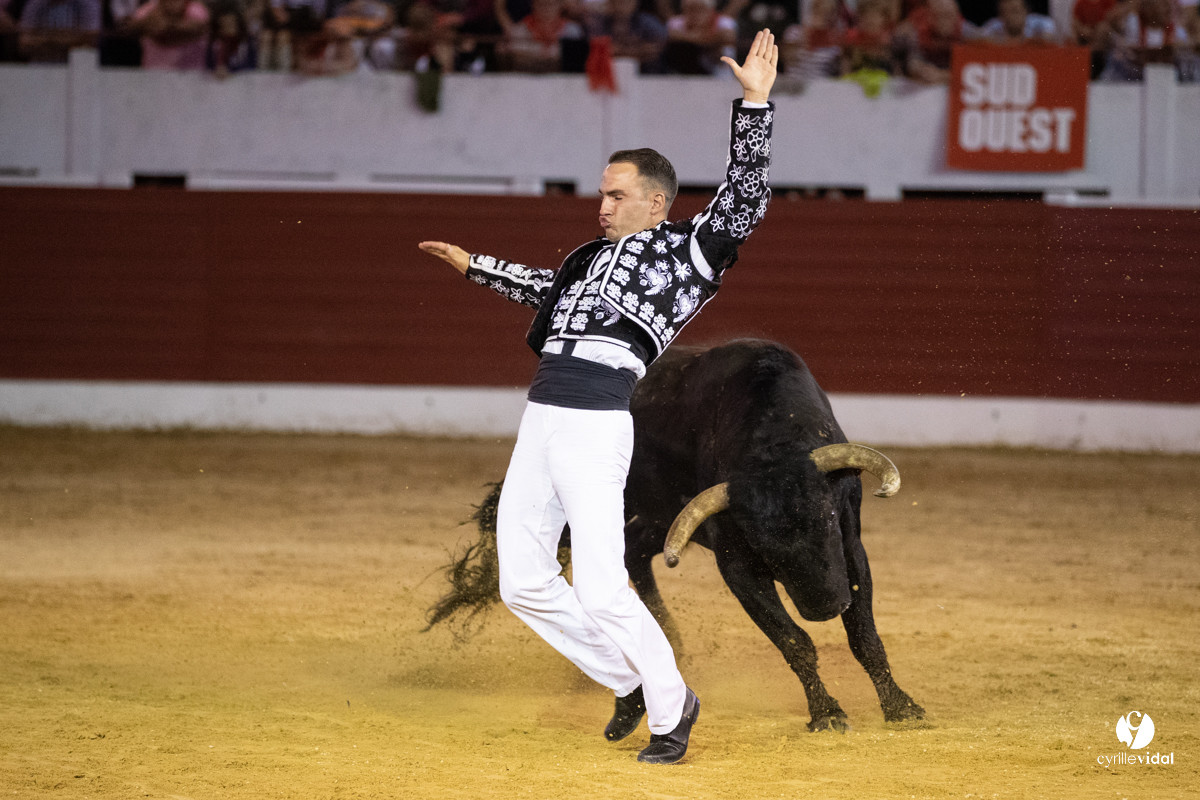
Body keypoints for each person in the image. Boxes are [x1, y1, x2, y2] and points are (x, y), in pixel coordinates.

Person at [417, 27, 777, 766]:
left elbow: (743, 201)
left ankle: (674, 710)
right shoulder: (588, 264)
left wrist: (754, 106)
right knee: (523, 583)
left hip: (594, 423)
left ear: (655, 201)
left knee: (607, 587)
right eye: (601, 194)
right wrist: (473, 266)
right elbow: (546, 292)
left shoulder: (688, 253)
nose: (601, 207)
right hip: (542, 416)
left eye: (616, 196)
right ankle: (628, 680)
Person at [130, 0, 210, 69]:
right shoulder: (145, 11)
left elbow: (197, 29)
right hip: (151, 76)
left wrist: (168, 26)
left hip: (192, 77)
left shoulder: (198, 11)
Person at [979, 0, 1060, 42]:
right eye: (1006, 11)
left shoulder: (1041, 23)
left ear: (1026, 11)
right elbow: (981, 41)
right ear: (1001, 14)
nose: (1011, 16)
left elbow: (1052, 39)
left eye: (1015, 10)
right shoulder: (992, 26)